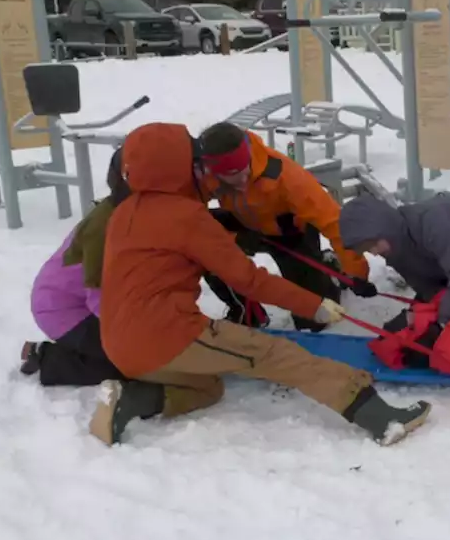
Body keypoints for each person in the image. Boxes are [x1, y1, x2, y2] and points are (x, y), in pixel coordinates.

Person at [91, 122, 431, 447]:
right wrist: (312, 305)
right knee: (275, 354)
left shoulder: (123, 212)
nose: (202, 171)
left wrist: (353, 271)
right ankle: (379, 417)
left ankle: (131, 399)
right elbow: (248, 279)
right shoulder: (187, 216)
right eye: (194, 163)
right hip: (167, 334)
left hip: (118, 344)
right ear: (176, 169)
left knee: (207, 391)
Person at [192, 122, 373, 332]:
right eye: (232, 177)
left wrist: (357, 272)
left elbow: (334, 223)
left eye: (245, 172)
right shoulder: (203, 174)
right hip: (244, 225)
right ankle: (246, 312)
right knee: (200, 247)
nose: (243, 183)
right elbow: (186, 211)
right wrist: (230, 240)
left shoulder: (287, 177)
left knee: (313, 320)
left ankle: (330, 269)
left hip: (291, 233)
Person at [338, 193, 450, 368]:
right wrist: (424, 312)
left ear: (384, 228)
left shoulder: (431, 222)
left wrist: (443, 321)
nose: (375, 252)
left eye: (373, 244)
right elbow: (424, 284)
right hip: (449, 267)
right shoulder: (393, 246)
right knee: (413, 329)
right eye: (367, 249)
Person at [20, 151, 128, 387]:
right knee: (133, 362)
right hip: (65, 311)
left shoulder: (124, 213)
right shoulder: (106, 228)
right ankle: (48, 359)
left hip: (77, 303)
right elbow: (98, 296)